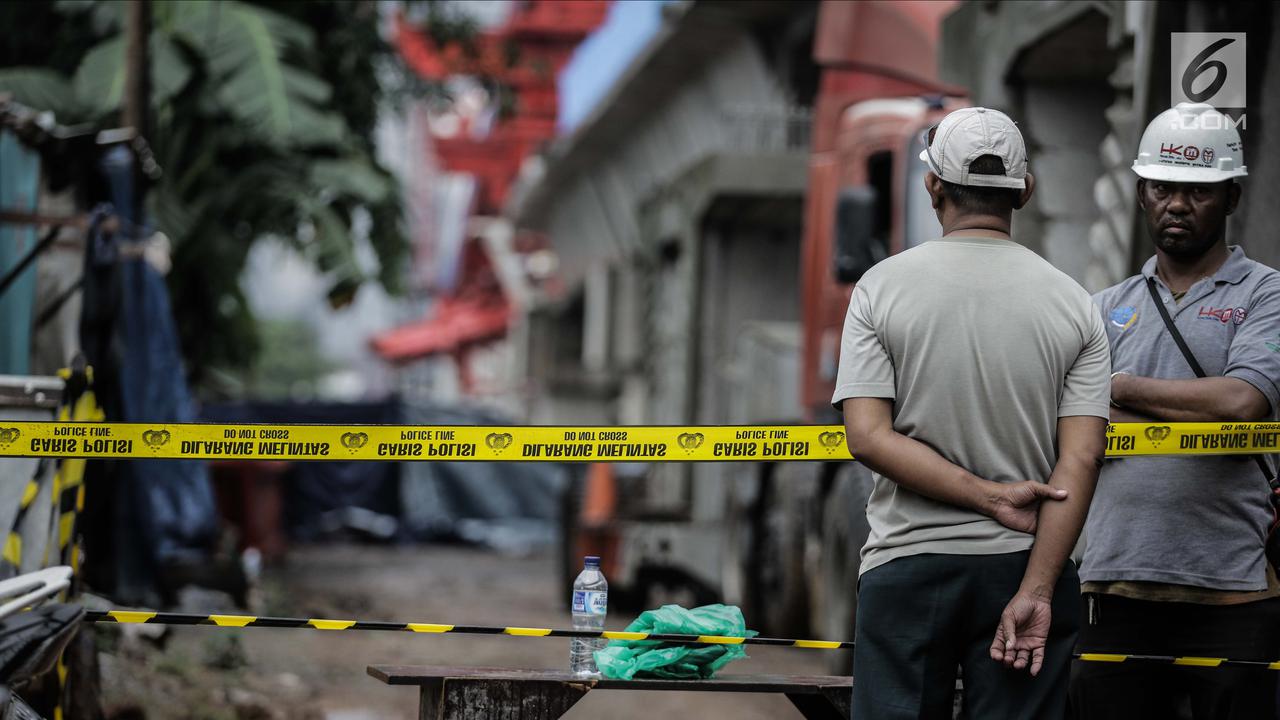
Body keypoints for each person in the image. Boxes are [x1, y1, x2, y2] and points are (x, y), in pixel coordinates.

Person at [835, 106, 1111, 720]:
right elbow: (1083, 457)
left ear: (933, 185)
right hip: (1024, 565)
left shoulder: (879, 289)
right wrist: (1038, 589)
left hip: (907, 566)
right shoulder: (1075, 304)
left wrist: (988, 497)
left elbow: (867, 437)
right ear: (1025, 189)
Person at [1070, 102, 1280, 720]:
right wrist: (1189, 406)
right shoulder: (1099, 308)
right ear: (1141, 194)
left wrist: (1119, 387)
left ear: (1232, 197)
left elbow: (1241, 402)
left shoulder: (1267, 294)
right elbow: (1073, 425)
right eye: (1163, 188)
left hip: (1234, 590)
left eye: (1198, 191)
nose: (1178, 205)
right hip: (1113, 586)